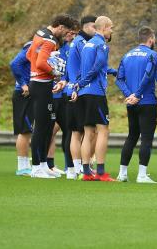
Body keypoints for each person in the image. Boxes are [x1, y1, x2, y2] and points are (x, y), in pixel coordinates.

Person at [26, 14, 77, 179]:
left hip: (38, 82)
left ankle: (42, 165)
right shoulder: (50, 40)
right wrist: (54, 72)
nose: (66, 35)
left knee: (46, 125)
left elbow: (29, 55)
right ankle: (35, 168)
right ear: (60, 27)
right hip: (41, 84)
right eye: (67, 31)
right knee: (41, 126)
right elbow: (41, 63)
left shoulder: (40, 33)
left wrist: (39, 69)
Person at [116, 26, 157, 184]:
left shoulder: (127, 55)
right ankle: (142, 174)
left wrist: (128, 95)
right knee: (146, 139)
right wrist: (137, 95)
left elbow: (119, 79)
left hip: (132, 103)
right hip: (147, 102)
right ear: (151, 39)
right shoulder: (152, 55)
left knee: (131, 136)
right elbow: (149, 75)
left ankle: (122, 173)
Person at [72, 16, 115, 182]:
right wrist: (83, 82)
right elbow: (97, 67)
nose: (111, 31)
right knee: (103, 130)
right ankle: (101, 172)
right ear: (103, 27)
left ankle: (86, 173)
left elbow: (85, 68)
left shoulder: (86, 45)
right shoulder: (101, 44)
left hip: (83, 93)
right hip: (95, 92)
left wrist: (79, 84)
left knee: (88, 132)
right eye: (111, 28)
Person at [65, 15, 97, 178]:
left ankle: (78, 167)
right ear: (84, 27)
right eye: (93, 26)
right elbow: (88, 67)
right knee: (79, 131)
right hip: (78, 89)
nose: (95, 29)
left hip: (76, 88)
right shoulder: (81, 43)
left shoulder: (79, 42)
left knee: (82, 131)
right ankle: (77, 167)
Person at [49, 28, 77, 178]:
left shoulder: (72, 47)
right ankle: (44, 164)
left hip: (65, 94)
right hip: (56, 95)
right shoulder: (55, 48)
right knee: (50, 130)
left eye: (74, 33)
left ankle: (68, 166)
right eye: (69, 33)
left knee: (68, 130)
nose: (71, 36)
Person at [10, 38, 33, 176]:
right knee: (24, 130)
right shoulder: (32, 46)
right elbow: (14, 64)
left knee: (27, 130)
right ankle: (22, 166)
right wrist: (23, 84)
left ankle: (25, 164)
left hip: (30, 93)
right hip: (23, 93)